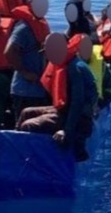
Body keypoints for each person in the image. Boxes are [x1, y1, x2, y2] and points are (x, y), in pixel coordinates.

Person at [17, 33, 99, 161]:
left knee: (29, 125)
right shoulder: (64, 64)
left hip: (80, 120)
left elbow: (77, 103)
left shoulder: (75, 68)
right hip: (64, 111)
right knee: (25, 112)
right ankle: (17, 152)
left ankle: (30, 161)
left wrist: (66, 131)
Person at [4, 0, 54, 123]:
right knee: (23, 128)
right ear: (30, 3)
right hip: (24, 91)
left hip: (38, 90)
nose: (42, 5)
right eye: (38, 2)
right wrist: (24, 72)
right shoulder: (24, 27)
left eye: (45, 2)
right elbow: (9, 51)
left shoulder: (41, 25)